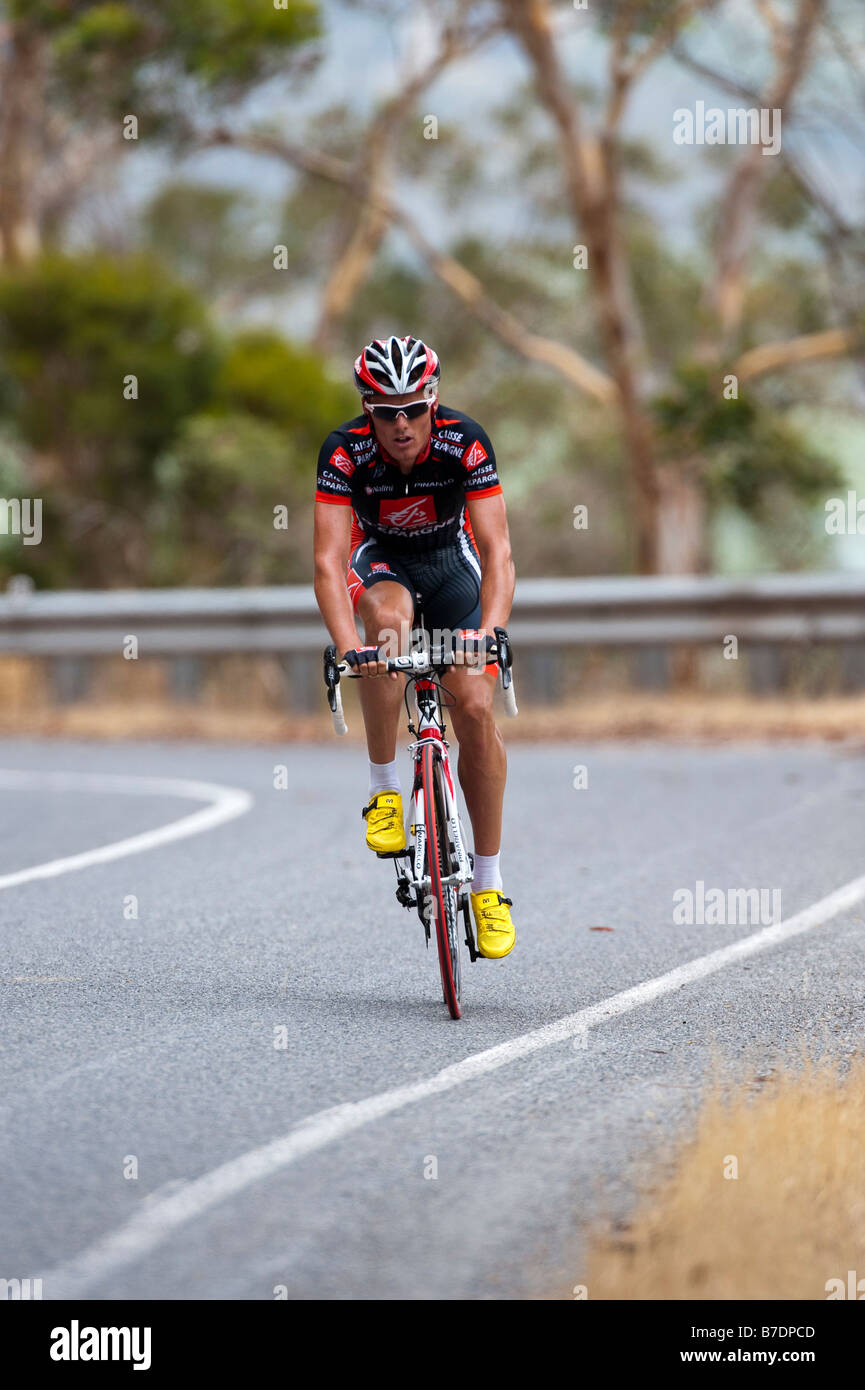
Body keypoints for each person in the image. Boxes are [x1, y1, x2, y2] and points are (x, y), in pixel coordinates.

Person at [313, 335, 517, 958]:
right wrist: (349, 649)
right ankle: (384, 787)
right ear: (366, 411)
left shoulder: (465, 441)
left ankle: (487, 886)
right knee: (388, 624)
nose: (400, 425)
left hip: (450, 564)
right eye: (384, 411)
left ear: (433, 402)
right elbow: (327, 560)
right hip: (382, 564)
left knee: (476, 710)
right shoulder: (344, 453)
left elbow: (498, 551)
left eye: (413, 409)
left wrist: (490, 631)